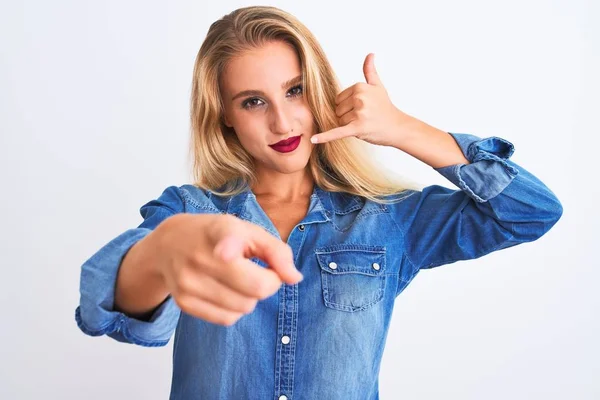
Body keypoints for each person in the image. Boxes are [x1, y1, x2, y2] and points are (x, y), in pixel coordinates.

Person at [74, 5, 563, 400]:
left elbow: (531, 210)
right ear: (224, 115)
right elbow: (105, 307)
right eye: (253, 101)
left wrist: (404, 130)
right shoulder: (191, 212)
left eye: (295, 91)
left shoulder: (389, 219)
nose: (284, 123)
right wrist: (165, 251)